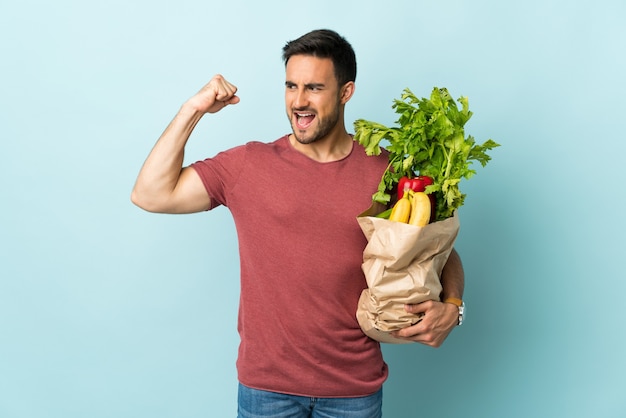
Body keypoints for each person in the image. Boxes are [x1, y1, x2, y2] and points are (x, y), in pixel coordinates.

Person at [132, 29, 464, 418]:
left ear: (346, 92)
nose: (299, 102)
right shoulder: (248, 165)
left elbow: (440, 251)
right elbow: (150, 194)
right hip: (265, 390)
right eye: (291, 86)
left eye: (314, 88)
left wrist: (454, 306)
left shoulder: (388, 173)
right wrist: (194, 109)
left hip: (353, 390)